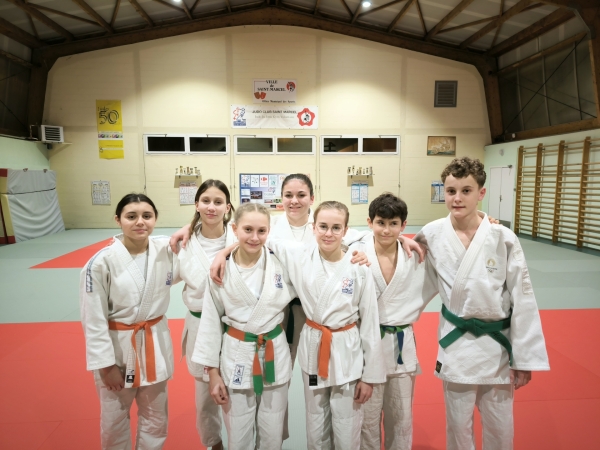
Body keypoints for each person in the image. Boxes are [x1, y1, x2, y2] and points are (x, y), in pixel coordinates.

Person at [415, 157, 550, 450]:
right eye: (451, 191)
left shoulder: (502, 237)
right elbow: (408, 271)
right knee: (457, 428)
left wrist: (524, 358)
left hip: (497, 347)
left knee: (500, 428)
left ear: (481, 193)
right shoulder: (432, 233)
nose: (457, 198)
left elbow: (522, 297)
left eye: (466, 190)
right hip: (456, 345)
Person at [259, 200, 386, 450]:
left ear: (346, 231)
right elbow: (256, 237)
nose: (329, 233)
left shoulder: (359, 267)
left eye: (336, 228)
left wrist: (369, 377)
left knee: (347, 423)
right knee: (315, 424)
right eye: (323, 226)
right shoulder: (298, 255)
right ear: (313, 228)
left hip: (347, 349)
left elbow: (370, 324)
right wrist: (223, 253)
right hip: (314, 344)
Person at [191, 203, 296, 449]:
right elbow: (210, 322)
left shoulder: (282, 262)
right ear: (235, 228)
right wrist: (213, 373)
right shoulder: (221, 270)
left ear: (269, 231)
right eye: (248, 229)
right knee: (238, 433)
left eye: (262, 231)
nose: (255, 237)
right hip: (236, 351)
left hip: (273, 350)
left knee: (272, 432)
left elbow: (324, 247)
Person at [80, 193, 179, 450]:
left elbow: (199, 254)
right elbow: (93, 319)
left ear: (155, 219)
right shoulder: (100, 263)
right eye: (131, 216)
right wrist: (105, 365)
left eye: (147, 216)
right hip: (119, 352)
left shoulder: (165, 252)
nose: (140, 222)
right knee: (114, 420)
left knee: (156, 418)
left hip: (155, 345)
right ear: (118, 220)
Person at [345, 193, 438, 450]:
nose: (386, 230)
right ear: (369, 222)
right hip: (366, 343)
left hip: (401, 343)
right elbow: (322, 235)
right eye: (380, 223)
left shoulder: (416, 255)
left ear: (404, 225)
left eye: (393, 223)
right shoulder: (354, 250)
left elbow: (455, 241)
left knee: (401, 414)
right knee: (367, 415)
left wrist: (489, 220)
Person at [176, 179, 236, 450]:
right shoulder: (182, 243)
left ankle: (241, 442)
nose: (211, 207)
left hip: (234, 327)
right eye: (206, 201)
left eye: (218, 201)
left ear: (228, 207)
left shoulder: (242, 237)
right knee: (204, 396)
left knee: (237, 392)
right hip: (199, 326)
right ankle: (214, 443)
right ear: (196, 204)